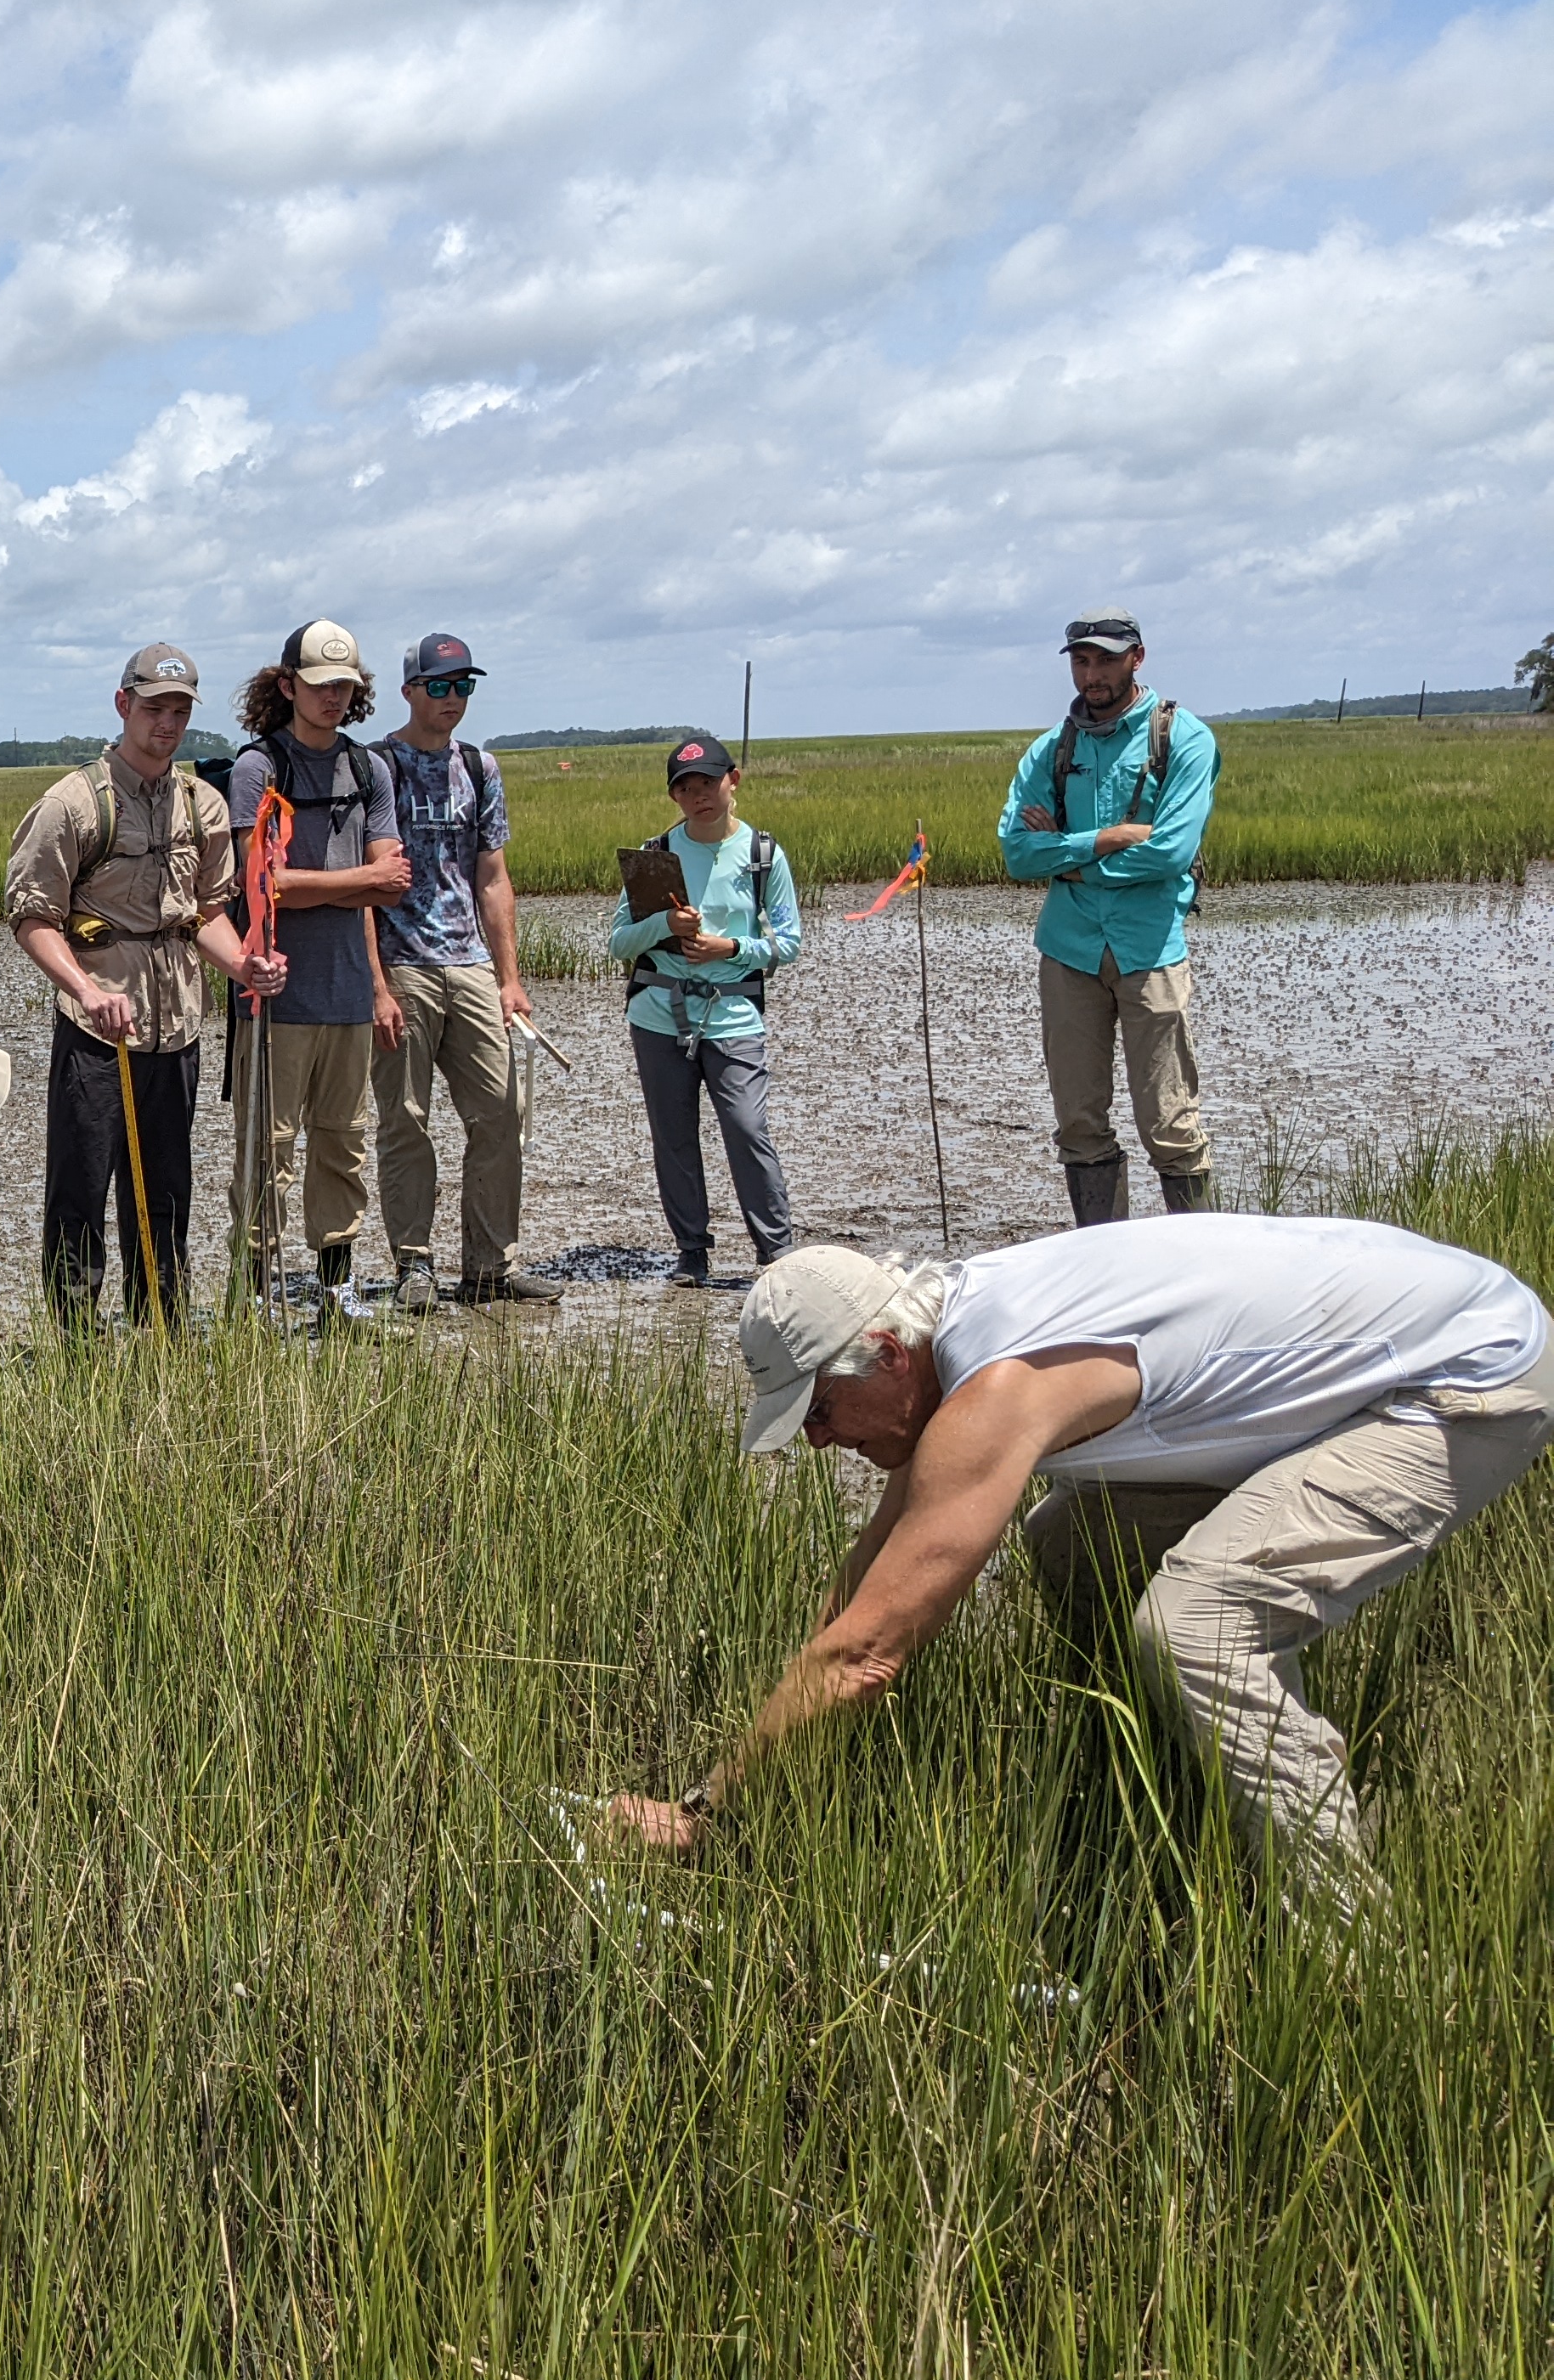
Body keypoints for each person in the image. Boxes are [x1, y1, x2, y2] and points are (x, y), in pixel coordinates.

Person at [607, 1224, 1554, 1926]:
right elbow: (865, 1597)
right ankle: (1183, 1798)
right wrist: (795, 1703)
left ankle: (1357, 1951)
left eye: (817, 1411)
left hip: (1463, 1378)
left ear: (888, 1355)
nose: (817, 1443)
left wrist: (706, 1815)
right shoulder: (949, 1335)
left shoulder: (999, 1386)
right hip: (1365, 1367)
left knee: (1195, 1629)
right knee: (1069, 1542)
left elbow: (866, 1655)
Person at [5, 643, 282, 1327]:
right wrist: (88, 991)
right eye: (155, 706)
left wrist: (244, 964)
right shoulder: (72, 804)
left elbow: (206, 914)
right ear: (124, 704)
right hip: (97, 1026)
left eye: (181, 709)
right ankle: (78, 1342)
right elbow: (32, 917)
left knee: (164, 1189)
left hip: (177, 1021)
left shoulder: (203, 804)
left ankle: (163, 1329)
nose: (168, 721)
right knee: (81, 1185)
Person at [997, 611, 1222, 1224]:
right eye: (1080, 661)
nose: (1091, 675)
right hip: (1068, 952)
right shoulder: (1049, 750)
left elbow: (1172, 851)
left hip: (1149, 950)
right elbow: (1018, 852)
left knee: (1170, 1123)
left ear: (1137, 658)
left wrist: (1066, 856)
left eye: (1105, 659)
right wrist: (1105, 840)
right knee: (1078, 1121)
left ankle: (1202, 1261)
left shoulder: (1185, 738)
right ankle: (1104, 1264)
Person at [370, 632, 557, 1309]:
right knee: (406, 1119)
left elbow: (493, 877)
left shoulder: (480, 767)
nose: (454, 699)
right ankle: (413, 1266)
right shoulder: (375, 767)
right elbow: (362, 885)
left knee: (499, 1113)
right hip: (403, 966)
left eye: (465, 686)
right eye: (441, 686)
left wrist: (510, 978)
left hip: (471, 963)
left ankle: (490, 1266)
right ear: (410, 690)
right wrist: (376, 984)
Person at [225, 620, 406, 1301]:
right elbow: (263, 886)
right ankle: (258, 1292)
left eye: (345, 687)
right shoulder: (257, 769)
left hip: (350, 996)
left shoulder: (369, 768)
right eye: (321, 685)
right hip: (275, 999)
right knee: (265, 1150)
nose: (334, 698)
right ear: (287, 686)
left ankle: (336, 1288)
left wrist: (333, 888)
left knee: (342, 1144)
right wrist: (356, 884)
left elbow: (392, 877)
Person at [607, 734, 803, 1286]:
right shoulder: (655, 854)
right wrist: (663, 926)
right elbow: (619, 942)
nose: (700, 796)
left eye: (708, 783)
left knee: (746, 1127)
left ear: (732, 781)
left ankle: (776, 1253)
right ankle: (692, 1253)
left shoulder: (764, 856)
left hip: (734, 1016)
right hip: (657, 1015)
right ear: (675, 797)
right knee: (673, 1136)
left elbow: (788, 944)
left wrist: (732, 949)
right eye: (686, 788)